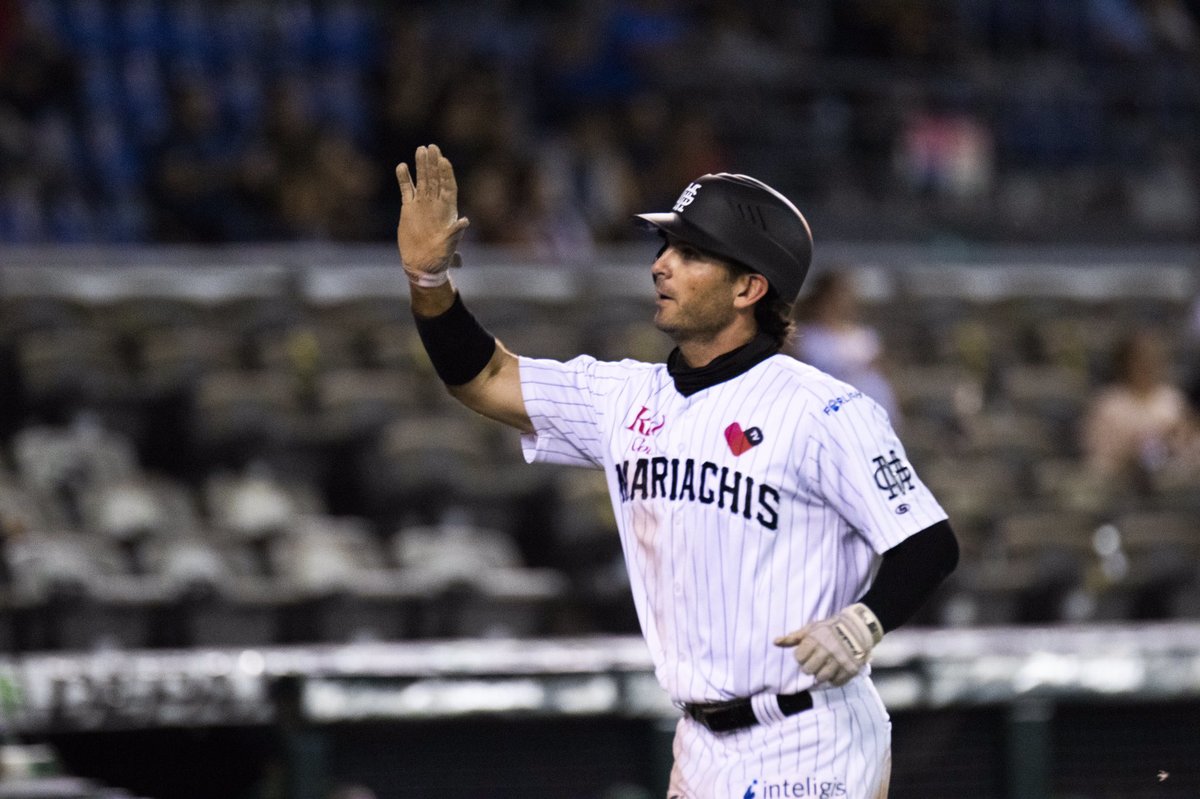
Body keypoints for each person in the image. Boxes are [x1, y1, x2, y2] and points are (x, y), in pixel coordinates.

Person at [396, 144, 959, 799]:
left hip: (810, 739)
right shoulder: (624, 397)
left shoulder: (824, 410)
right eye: (666, 247)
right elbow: (486, 376)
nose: (660, 264)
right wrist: (429, 283)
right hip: (699, 743)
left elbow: (928, 542)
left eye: (690, 253)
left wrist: (862, 622)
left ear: (748, 288)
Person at [790, 269, 903, 426]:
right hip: (831, 416)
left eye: (847, 295)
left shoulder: (865, 336)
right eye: (837, 296)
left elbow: (884, 373)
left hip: (874, 409)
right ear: (822, 298)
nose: (842, 302)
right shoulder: (806, 337)